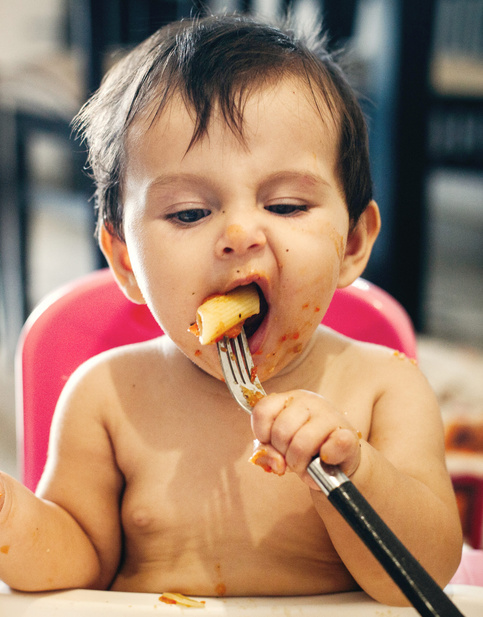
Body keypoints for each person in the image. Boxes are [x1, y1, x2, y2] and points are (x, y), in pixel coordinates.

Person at [0, 13, 462, 605]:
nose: (240, 234)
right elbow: (78, 563)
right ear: (123, 260)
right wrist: (13, 515)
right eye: (190, 213)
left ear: (352, 244)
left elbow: (422, 577)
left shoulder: (384, 388)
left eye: (288, 205)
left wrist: (355, 470)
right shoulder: (107, 397)